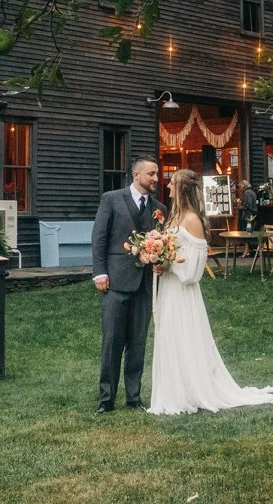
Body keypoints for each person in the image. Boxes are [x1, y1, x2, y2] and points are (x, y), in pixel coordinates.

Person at [148, 169, 273, 416]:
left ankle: (191, 390)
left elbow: (195, 268)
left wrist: (169, 263)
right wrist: (159, 259)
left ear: (183, 189)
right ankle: (174, 390)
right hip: (169, 289)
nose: (167, 188)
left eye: (172, 184)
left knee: (183, 336)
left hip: (183, 293)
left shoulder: (191, 220)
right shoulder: (173, 217)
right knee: (169, 335)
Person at [90, 155, 165, 413]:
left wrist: (160, 262)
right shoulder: (111, 199)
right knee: (112, 342)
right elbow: (99, 237)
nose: (156, 179)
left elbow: (162, 244)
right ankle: (106, 399)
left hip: (144, 284)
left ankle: (134, 397)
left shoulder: (159, 209)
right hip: (115, 283)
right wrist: (100, 273)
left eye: (157, 174)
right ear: (136, 175)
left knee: (138, 342)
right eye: (151, 174)